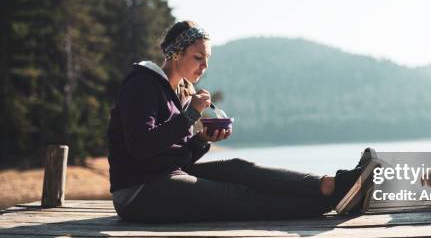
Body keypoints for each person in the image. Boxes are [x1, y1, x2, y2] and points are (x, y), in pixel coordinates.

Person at [107, 20, 377, 223]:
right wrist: (190, 115)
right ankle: (330, 201)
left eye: (207, 59)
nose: (204, 66)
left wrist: (201, 140)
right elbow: (141, 147)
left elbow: (177, 157)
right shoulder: (143, 84)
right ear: (176, 53)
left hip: (166, 177)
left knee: (239, 167)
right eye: (198, 58)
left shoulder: (177, 92)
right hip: (138, 192)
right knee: (234, 195)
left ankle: (332, 184)